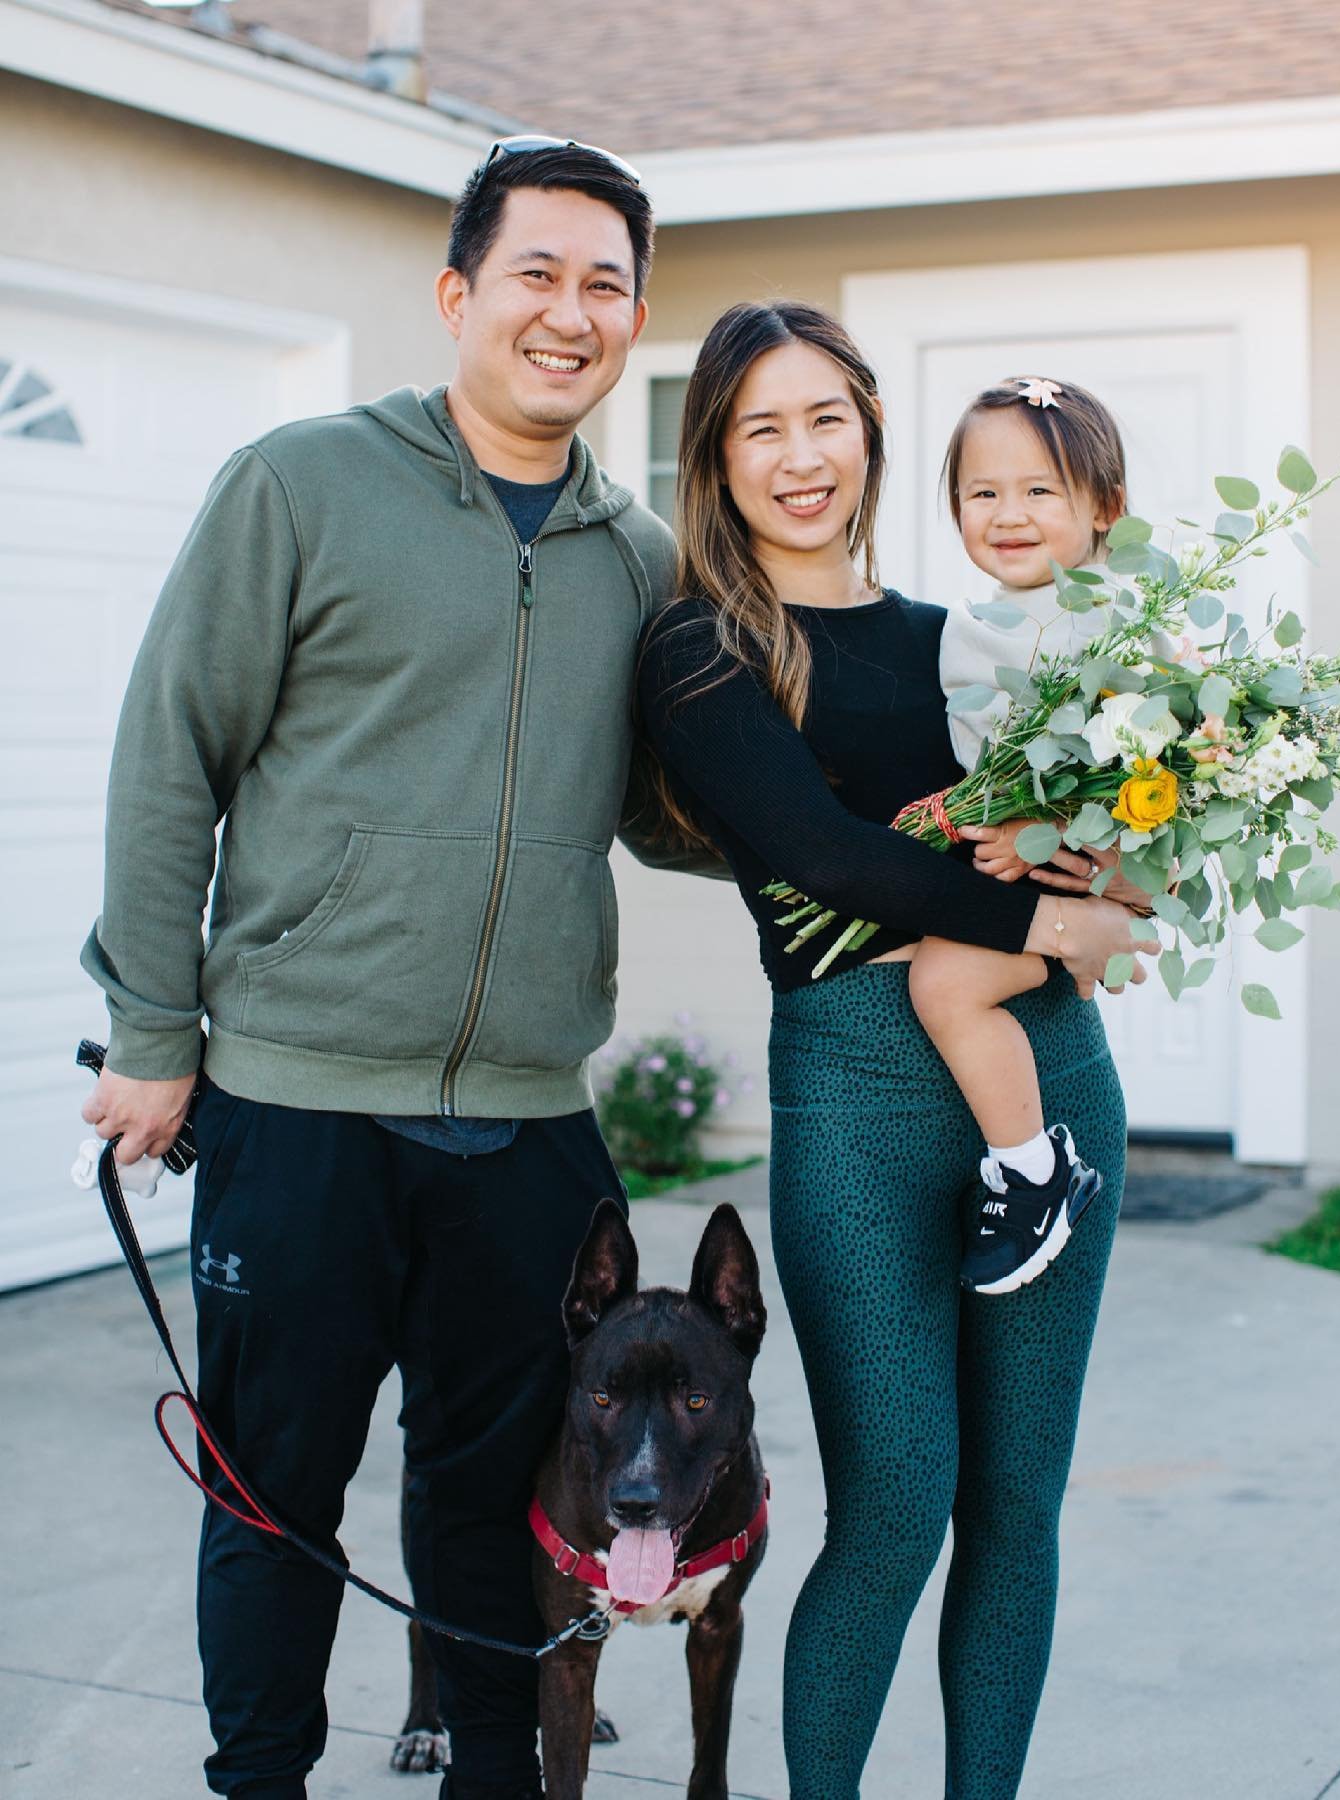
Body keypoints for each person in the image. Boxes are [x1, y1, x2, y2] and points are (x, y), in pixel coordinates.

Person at [79, 138, 698, 1800]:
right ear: (458, 295)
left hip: (525, 1127)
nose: (572, 314)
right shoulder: (300, 483)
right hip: (295, 1105)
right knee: (274, 1490)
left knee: (504, 1504)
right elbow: (169, 757)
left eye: (607, 285)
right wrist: (152, 1027)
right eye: (538, 276)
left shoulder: (638, 561)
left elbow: (673, 815)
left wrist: (939, 828)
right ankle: (261, 1778)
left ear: (637, 316)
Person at [636, 301, 1157, 1800]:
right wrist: (1047, 924)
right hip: (859, 1100)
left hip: (1051, 1086)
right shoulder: (702, 648)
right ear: (718, 460)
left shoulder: (975, 640)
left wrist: (1129, 879)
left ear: (870, 428)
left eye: (825, 419)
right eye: (760, 428)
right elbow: (817, 851)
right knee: (895, 1507)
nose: (800, 458)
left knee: (1016, 1508)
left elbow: (1106, 835)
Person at [908, 374, 1162, 1295]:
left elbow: (1159, 762)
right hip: (1027, 880)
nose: (1007, 514)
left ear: (1107, 508)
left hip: (1096, 868)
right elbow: (985, 767)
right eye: (983, 493)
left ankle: (1030, 1169)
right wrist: (999, 820)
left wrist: (1049, 834)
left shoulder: (1131, 620)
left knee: (943, 980)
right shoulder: (967, 630)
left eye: (1039, 490)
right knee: (942, 972)